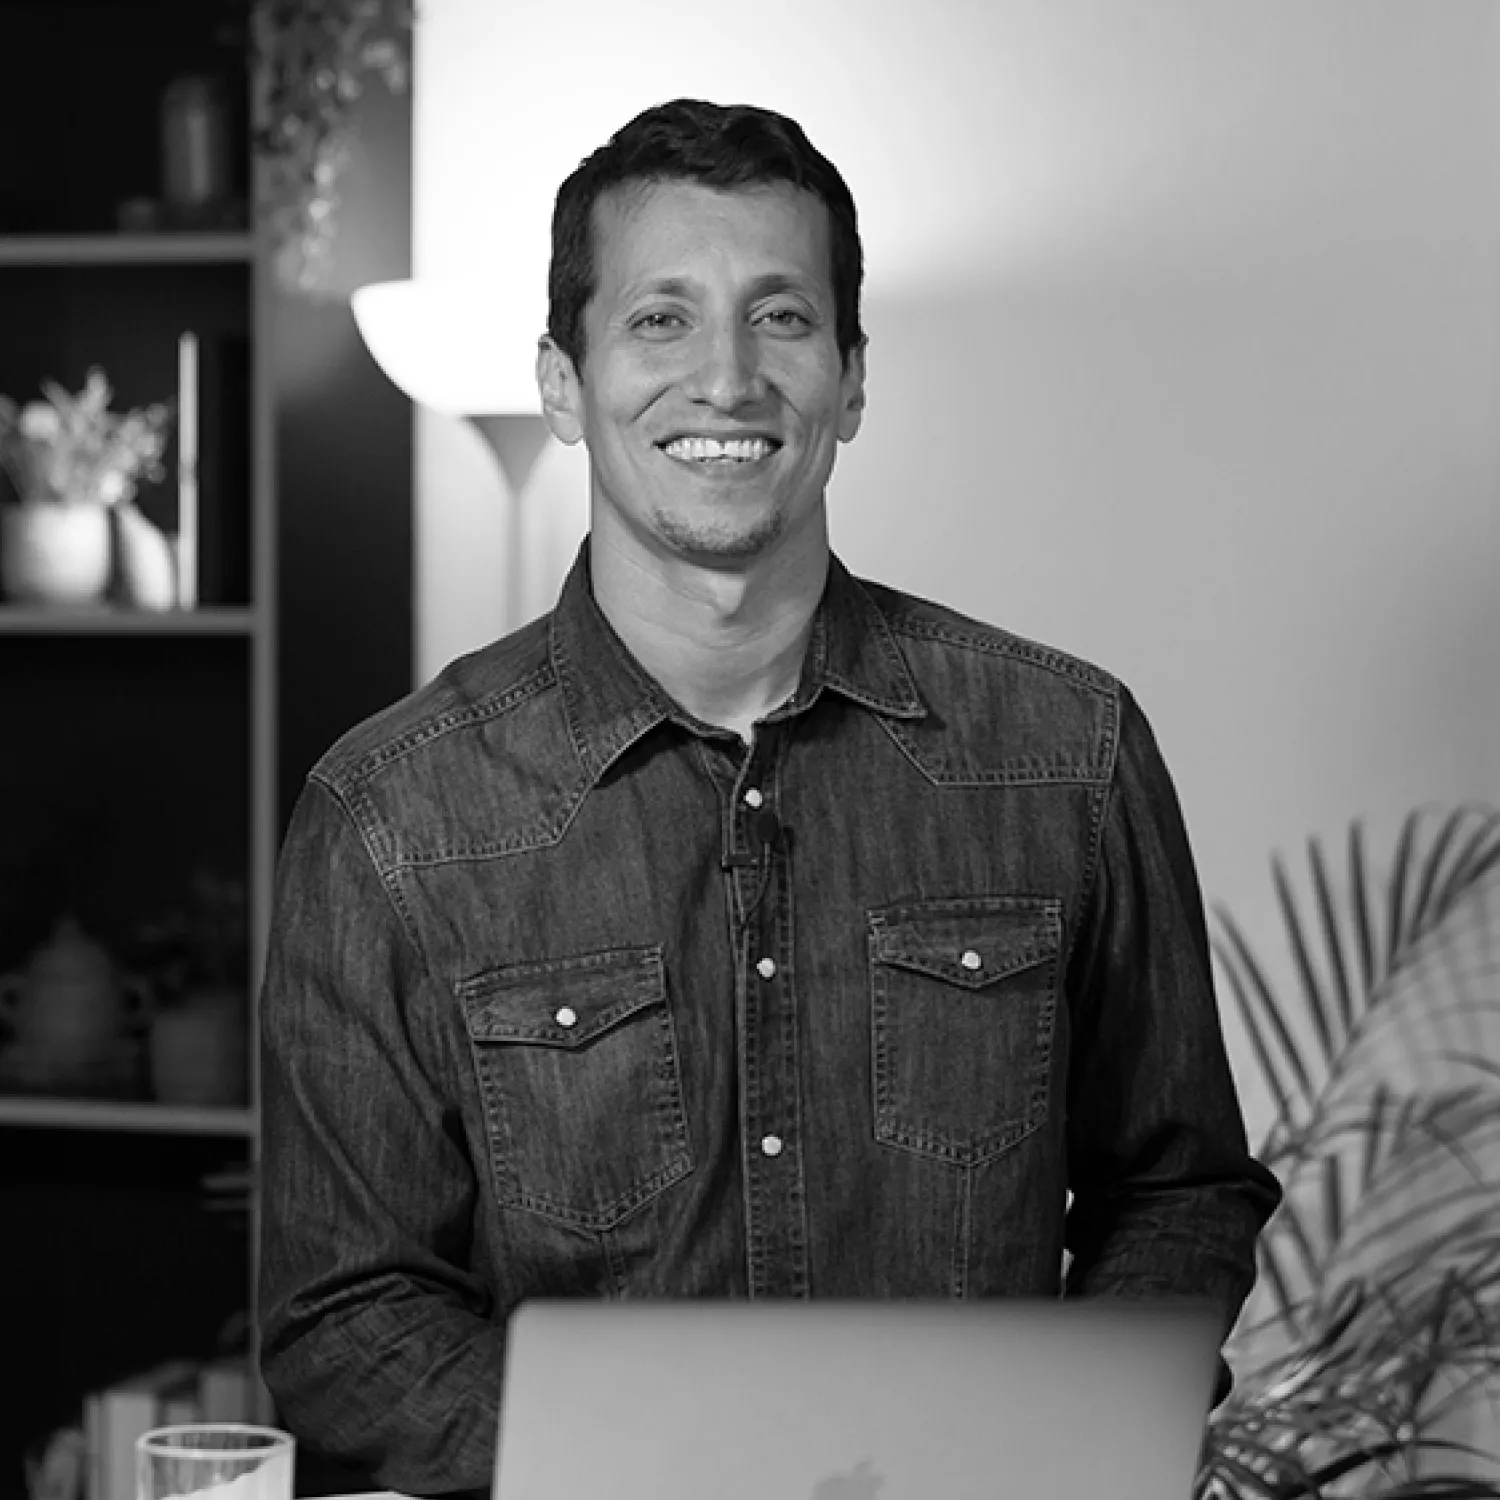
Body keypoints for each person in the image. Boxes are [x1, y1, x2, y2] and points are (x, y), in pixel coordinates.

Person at [257, 97, 1281, 1496]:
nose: (726, 379)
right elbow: (340, 1313)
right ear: (563, 381)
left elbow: (1179, 1195)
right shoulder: (390, 815)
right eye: (661, 319)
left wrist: (1049, 1453)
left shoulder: (1068, 750)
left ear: (853, 379)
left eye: (782, 318)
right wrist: (657, 1474)